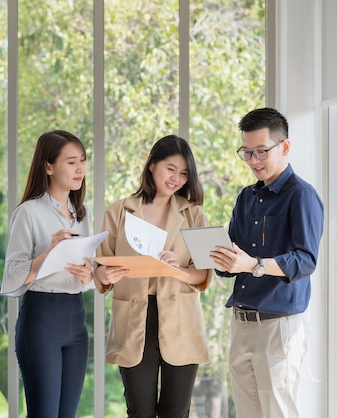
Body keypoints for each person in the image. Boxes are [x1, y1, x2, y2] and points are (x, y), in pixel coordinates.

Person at [210, 107, 324, 418]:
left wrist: (253, 264)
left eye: (261, 151)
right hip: (242, 323)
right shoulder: (247, 197)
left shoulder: (302, 196)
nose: (253, 161)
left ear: (284, 147)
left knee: (277, 413)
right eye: (246, 153)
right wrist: (220, 258)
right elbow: (236, 256)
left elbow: (305, 260)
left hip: (279, 326)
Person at [94, 134, 211, 418]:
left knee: (176, 412)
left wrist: (178, 270)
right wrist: (105, 273)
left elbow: (205, 274)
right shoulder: (119, 211)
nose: (176, 179)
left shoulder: (194, 215)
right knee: (139, 412)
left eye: (184, 174)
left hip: (181, 321)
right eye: (170, 169)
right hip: (135, 319)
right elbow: (100, 267)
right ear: (151, 163)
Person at [0, 129, 94, 418]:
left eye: (82, 160)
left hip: (76, 320)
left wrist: (88, 274)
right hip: (41, 320)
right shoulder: (28, 213)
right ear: (49, 166)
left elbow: (87, 279)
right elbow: (12, 278)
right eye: (71, 162)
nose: (80, 169)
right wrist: (48, 253)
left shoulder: (83, 212)